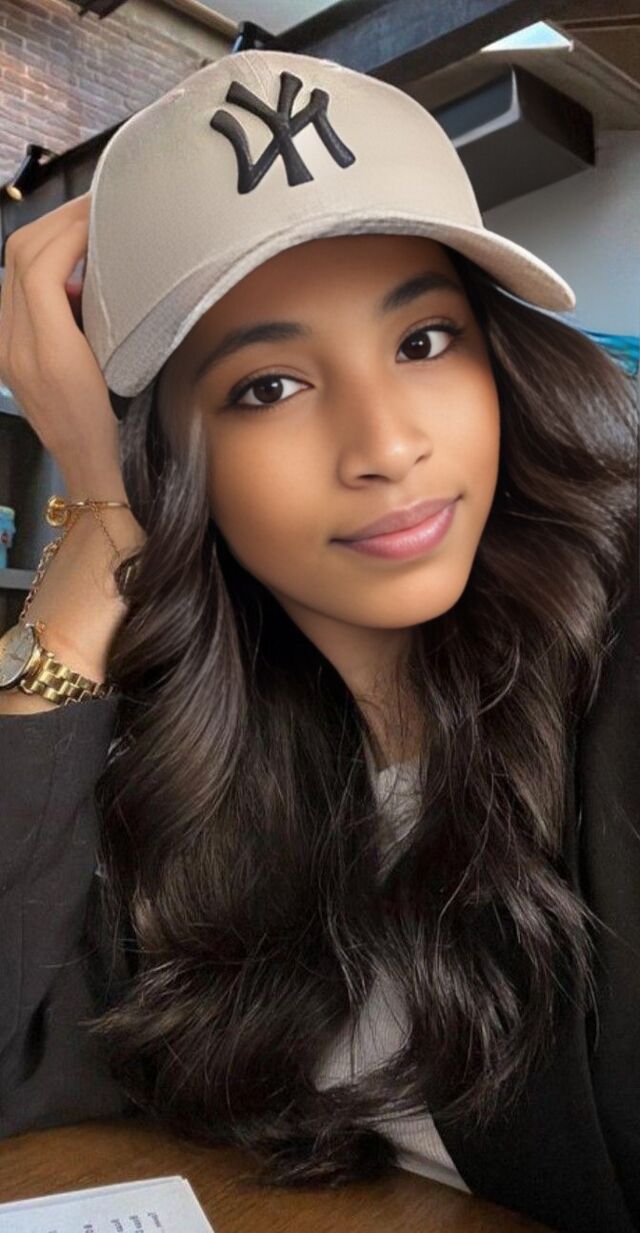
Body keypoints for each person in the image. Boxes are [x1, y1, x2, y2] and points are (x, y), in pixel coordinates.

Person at [0, 48, 637, 1233]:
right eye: (268, 386)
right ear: (166, 456)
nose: (385, 445)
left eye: (423, 341)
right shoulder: (199, 772)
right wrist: (94, 527)